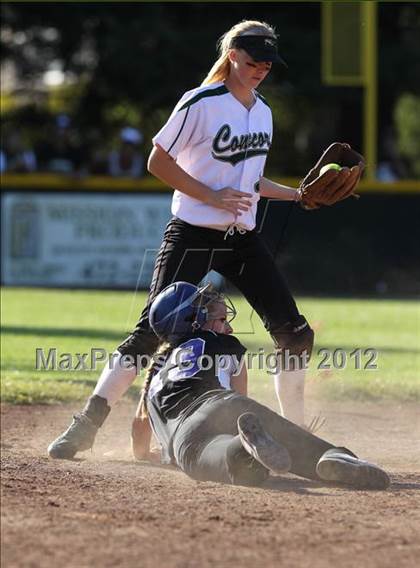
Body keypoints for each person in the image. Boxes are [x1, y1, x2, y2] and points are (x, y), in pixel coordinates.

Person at [48, 19, 363, 460]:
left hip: (242, 237)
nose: (261, 70)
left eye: (268, 64)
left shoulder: (263, 111)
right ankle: (86, 424)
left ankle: (295, 433)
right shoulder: (201, 102)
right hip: (193, 232)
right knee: (150, 334)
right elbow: (158, 161)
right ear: (233, 55)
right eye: (254, 61)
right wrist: (210, 194)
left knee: (294, 333)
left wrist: (295, 195)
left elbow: (250, 181)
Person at [133, 281, 389, 489]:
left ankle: (242, 450)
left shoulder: (155, 375)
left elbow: (140, 431)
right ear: (194, 322)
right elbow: (239, 402)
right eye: (222, 320)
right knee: (250, 423)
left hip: (185, 442)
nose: (229, 328)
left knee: (231, 464)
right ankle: (331, 456)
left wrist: (144, 454)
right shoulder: (217, 342)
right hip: (222, 405)